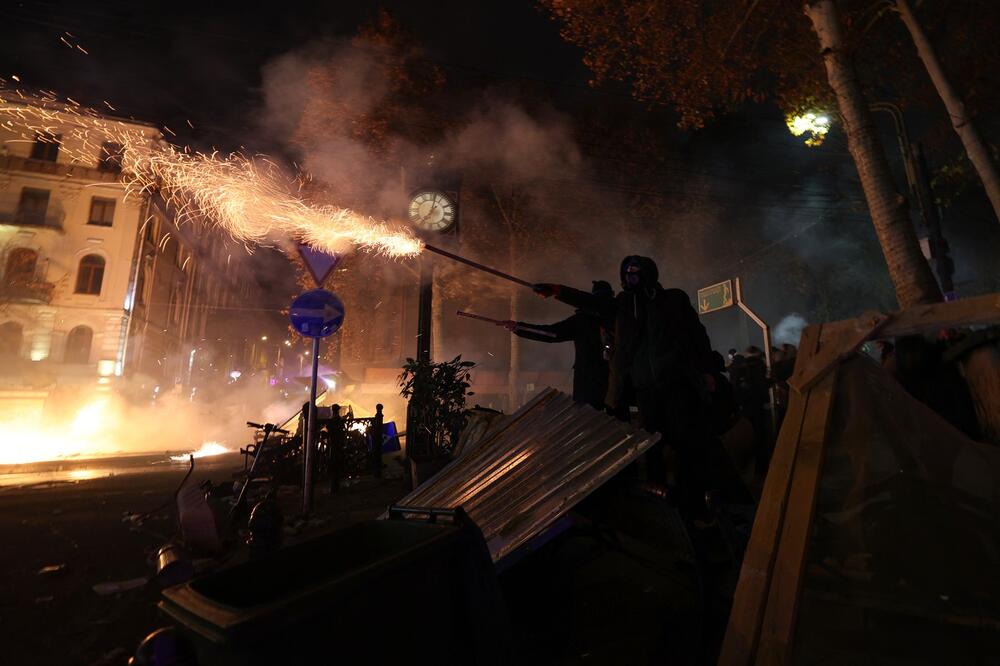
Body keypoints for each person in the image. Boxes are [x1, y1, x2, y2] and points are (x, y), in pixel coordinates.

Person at [536, 256, 717, 513]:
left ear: (648, 275)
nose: (628, 280)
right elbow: (594, 304)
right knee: (652, 443)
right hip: (645, 389)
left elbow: (698, 335)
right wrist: (558, 291)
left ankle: (694, 501)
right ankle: (659, 502)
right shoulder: (624, 303)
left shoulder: (674, 300)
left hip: (676, 384)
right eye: (626, 274)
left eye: (634, 274)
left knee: (684, 441)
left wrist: (707, 370)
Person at [502, 280, 614, 411]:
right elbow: (551, 333)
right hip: (607, 382)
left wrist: (519, 328)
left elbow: (551, 333)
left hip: (590, 383)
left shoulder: (583, 320)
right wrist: (519, 328)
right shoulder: (619, 315)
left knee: (588, 420)